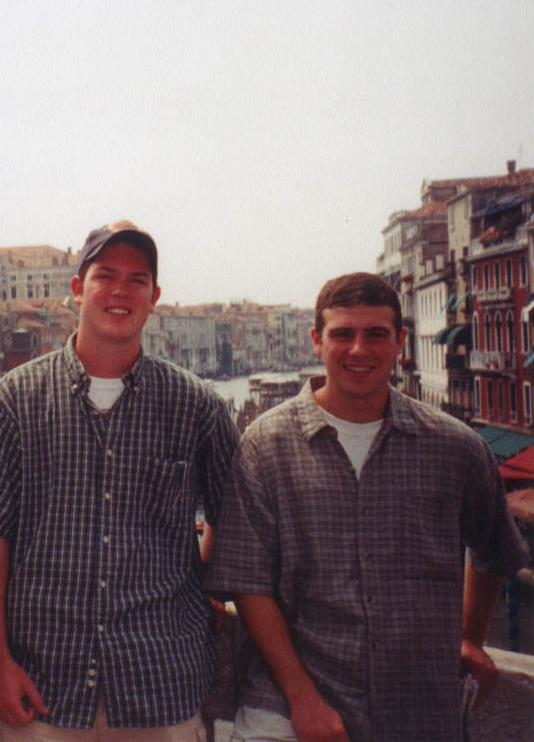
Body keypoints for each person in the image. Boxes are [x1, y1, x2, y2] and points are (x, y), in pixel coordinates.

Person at [206, 272, 530, 742]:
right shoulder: (265, 445)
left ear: (399, 341)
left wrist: (469, 637)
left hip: (417, 709)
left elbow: (494, 549)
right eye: (343, 334)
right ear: (317, 340)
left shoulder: (455, 447)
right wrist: (303, 698)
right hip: (286, 706)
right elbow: (248, 584)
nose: (359, 350)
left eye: (376, 334)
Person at [0, 221, 240, 741]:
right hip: (43, 687)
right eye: (106, 275)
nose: (121, 291)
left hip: (163, 686)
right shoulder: (16, 399)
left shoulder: (196, 407)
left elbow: (231, 519)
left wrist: (204, 588)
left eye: (137, 280)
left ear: (154, 297)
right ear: (78, 288)